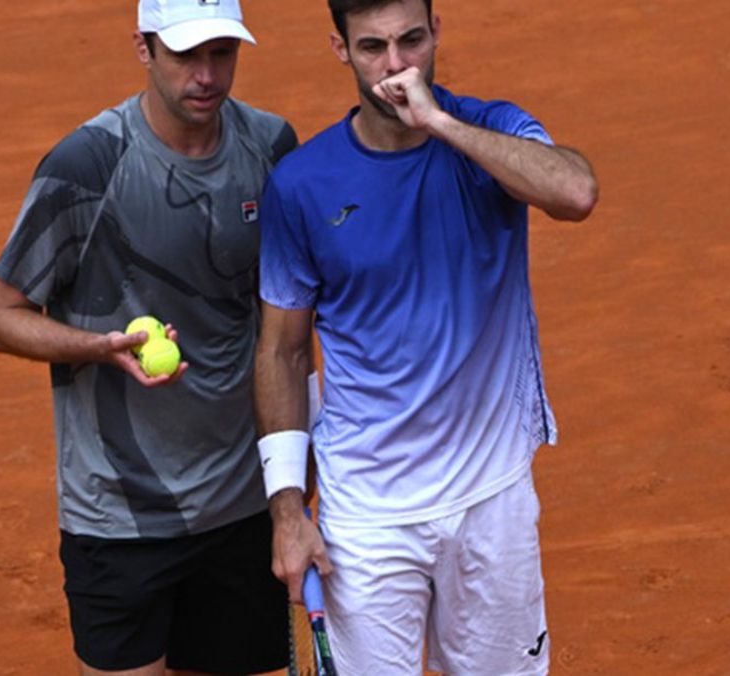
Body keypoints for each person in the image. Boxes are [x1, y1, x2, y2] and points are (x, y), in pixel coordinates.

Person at [253, 0, 598, 674]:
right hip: (370, 518)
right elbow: (282, 352)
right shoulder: (301, 185)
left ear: (437, 34)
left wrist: (440, 123)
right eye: (374, 47)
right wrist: (288, 510)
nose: (395, 67)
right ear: (340, 50)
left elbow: (575, 192)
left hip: (491, 497)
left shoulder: (491, 130)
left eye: (411, 41)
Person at [0, 1, 297, 674]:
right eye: (185, 55)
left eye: (222, 53)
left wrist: (295, 474)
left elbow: (287, 327)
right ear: (143, 49)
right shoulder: (88, 165)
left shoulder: (270, 149)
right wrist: (99, 348)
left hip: (241, 503)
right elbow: (2, 316)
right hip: (118, 516)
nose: (206, 75)